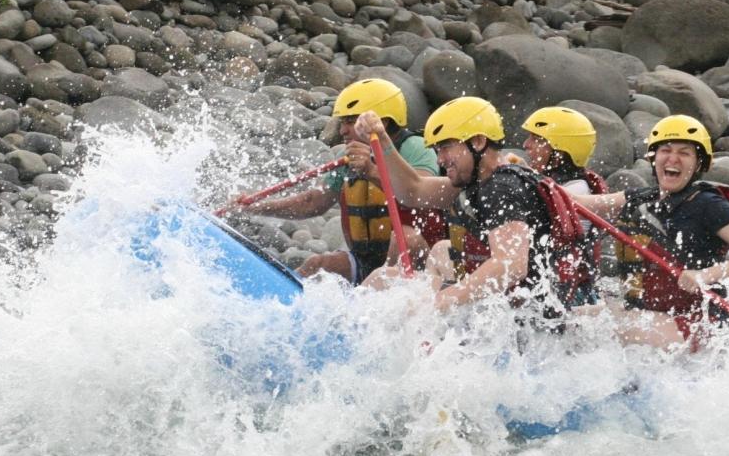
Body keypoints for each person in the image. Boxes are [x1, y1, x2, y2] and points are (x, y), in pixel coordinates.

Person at [348, 96, 594, 316]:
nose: (440, 160)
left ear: (477, 142)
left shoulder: (503, 188)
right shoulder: (476, 184)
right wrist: (383, 140)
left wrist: (440, 302)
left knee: (394, 287)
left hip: (527, 316)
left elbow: (511, 266)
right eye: (437, 150)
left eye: (446, 147)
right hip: (503, 305)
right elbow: (413, 190)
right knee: (388, 277)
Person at [573, 114, 729, 349]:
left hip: (697, 325)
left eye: (684, 152)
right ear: (654, 158)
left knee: (603, 329)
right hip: (649, 316)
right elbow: (575, 201)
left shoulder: (708, 204)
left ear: (699, 163)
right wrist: (530, 177)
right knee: (568, 321)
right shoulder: (639, 199)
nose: (673, 159)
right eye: (666, 150)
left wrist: (705, 275)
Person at [241, 78, 441, 284]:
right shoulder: (351, 158)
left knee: (405, 240)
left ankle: (380, 299)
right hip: (366, 260)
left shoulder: (415, 147)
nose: (342, 131)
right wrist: (254, 207)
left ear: (383, 122)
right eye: (342, 122)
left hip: (420, 262)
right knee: (316, 266)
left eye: (351, 121)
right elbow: (312, 202)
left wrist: (371, 171)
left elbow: (422, 193)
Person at [520, 106, 609, 196]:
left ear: (558, 155)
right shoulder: (555, 184)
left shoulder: (576, 190)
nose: (526, 144)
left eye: (537, 139)